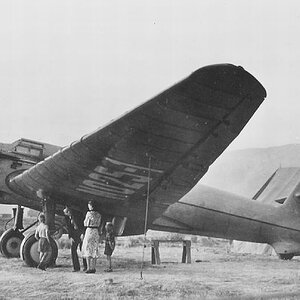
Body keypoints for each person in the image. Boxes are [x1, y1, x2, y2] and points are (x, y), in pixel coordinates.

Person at [63, 206, 87, 272]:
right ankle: (76, 267)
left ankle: (86, 266)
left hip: (80, 233)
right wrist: (70, 237)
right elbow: (69, 228)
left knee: (83, 250)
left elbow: (83, 225)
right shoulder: (67, 218)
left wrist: (83, 234)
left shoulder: (78, 215)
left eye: (67, 212)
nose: (67, 214)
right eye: (66, 213)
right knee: (73, 250)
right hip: (74, 235)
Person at [81, 200, 102, 274]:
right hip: (96, 231)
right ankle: (94, 268)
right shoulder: (99, 214)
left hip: (89, 230)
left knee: (87, 248)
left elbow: (85, 223)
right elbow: (99, 223)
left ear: (91, 206)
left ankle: (89, 267)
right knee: (94, 249)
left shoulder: (88, 213)